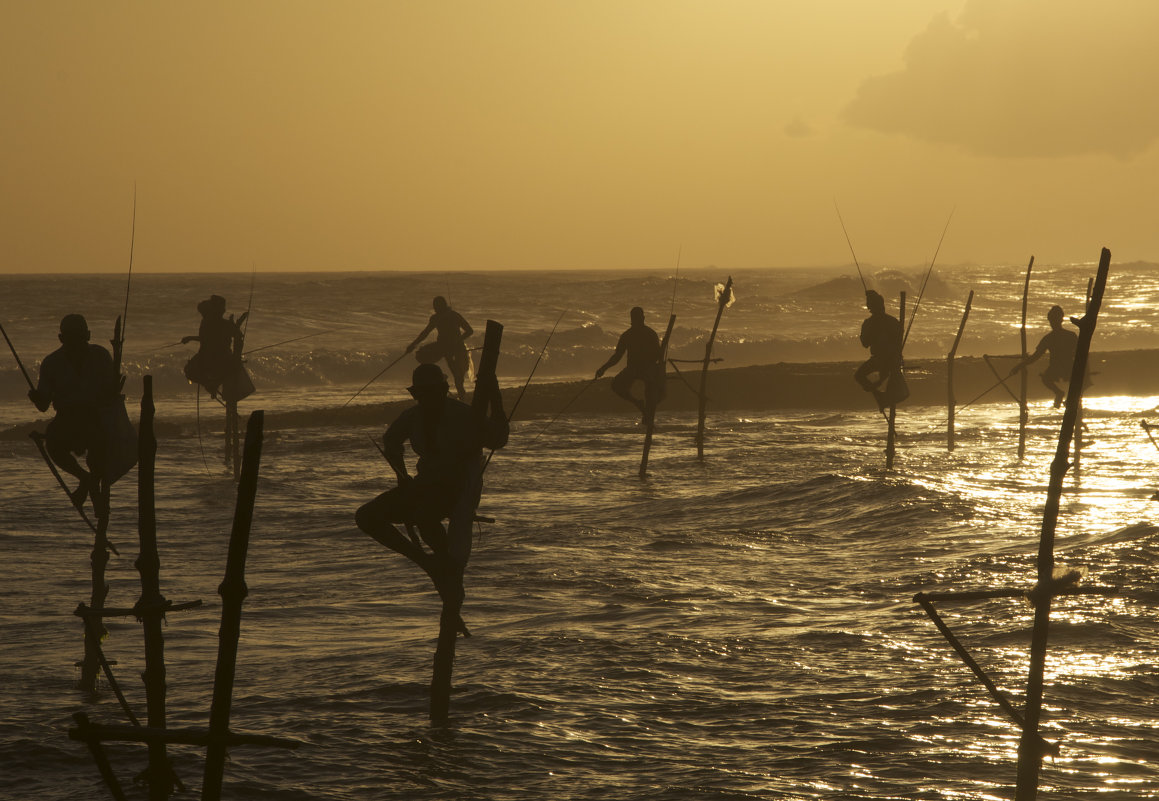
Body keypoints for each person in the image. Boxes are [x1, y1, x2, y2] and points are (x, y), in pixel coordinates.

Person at [355, 363, 508, 610]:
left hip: (457, 486)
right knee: (366, 516)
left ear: (444, 390)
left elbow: (498, 440)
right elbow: (391, 440)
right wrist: (401, 476)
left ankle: (446, 564)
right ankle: (429, 563)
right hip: (424, 485)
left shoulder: (462, 414)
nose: (425, 399)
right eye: (420, 394)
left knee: (425, 518)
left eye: (431, 393)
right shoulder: (413, 416)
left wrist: (496, 399)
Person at [27, 314, 118, 511]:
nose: (76, 343)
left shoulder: (100, 355)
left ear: (88, 335)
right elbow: (43, 405)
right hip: (66, 419)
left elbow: (110, 393)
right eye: (71, 337)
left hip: (94, 417)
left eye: (79, 337)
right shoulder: (51, 363)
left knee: (99, 452)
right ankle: (85, 479)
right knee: (53, 443)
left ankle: (92, 488)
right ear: (62, 339)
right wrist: (36, 398)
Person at [595, 306, 664, 418]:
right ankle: (639, 404)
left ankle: (646, 412)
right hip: (635, 369)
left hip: (645, 369)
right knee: (616, 385)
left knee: (651, 390)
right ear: (642, 318)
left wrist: (603, 368)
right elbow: (617, 356)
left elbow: (617, 357)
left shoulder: (641, 334)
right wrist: (603, 368)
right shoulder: (635, 334)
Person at [1009, 304, 1079, 408]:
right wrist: (1019, 366)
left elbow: (1035, 357)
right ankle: (1060, 394)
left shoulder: (1057, 337)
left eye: (1053, 320)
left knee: (1046, 378)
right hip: (1060, 367)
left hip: (1065, 367)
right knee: (1046, 378)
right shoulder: (1064, 336)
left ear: (1059, 320)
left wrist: (1019, 366)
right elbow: (1035, 357)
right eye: (1051, 320)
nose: (1052, 323)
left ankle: (1064, 396)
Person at [181, 295, 249, 401]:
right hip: (221, 360)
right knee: (191, 371)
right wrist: (236, 357)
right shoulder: (224, 324)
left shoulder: (207, 323)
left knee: (189, 371)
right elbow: (238, 338)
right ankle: (213, 384)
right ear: (222, 310)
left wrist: (190, 338)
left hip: (208, 360)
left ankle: (211, 384)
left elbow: (206, 339)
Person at [407, 296, 474, 400]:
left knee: (457, 374)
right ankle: (438, 381)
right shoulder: (435, 318)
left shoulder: (454, 315)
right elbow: (425, 333)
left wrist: (458, 340)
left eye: (437, 306)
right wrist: (413, 345)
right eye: (435, 306)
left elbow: (469, 330)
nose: (435, 309)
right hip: (443, 347)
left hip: (457, 348)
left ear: (443, 306)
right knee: (421, 355)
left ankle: (461, 394)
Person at [853, 289, 906, 409]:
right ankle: (880, 393)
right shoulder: (892, 321)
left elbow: (865, 343)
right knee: (880, 377)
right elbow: (898, 341)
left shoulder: (870, 323)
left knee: (859, 376)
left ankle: (878, 393)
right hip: (892, 360)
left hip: (881, 360)